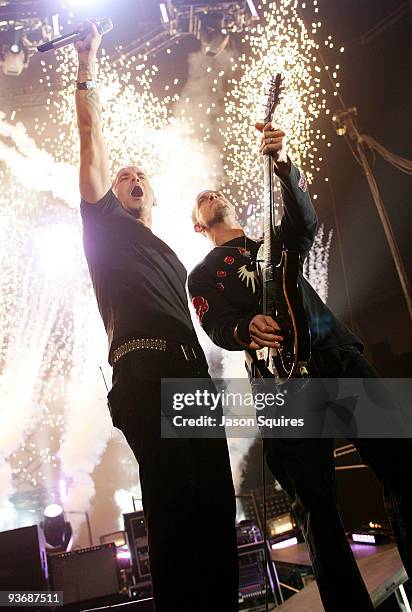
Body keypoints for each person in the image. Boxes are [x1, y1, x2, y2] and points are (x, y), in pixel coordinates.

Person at [188, 121, 412, 611]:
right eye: (201, 199)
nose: (210, 193)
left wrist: (283, 165)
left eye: (215, 191)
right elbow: (217, 326)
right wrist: (246, 331)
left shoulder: (274, 239)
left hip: (332, 352)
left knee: (402, 465)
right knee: (317, 513)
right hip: (277, 384)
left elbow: (306, 223)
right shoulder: (202, 275)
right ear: (197, 225)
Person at [74, 22, 238, 611]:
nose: (133, 177)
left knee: (216, 508)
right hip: (144, 372)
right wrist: (87, 66)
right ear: (110, 194)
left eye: (142, 174)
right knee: (175, 511)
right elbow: (91, 135)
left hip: (193, 378)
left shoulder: (171, 253)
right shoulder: (103, 226)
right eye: (124, 175)